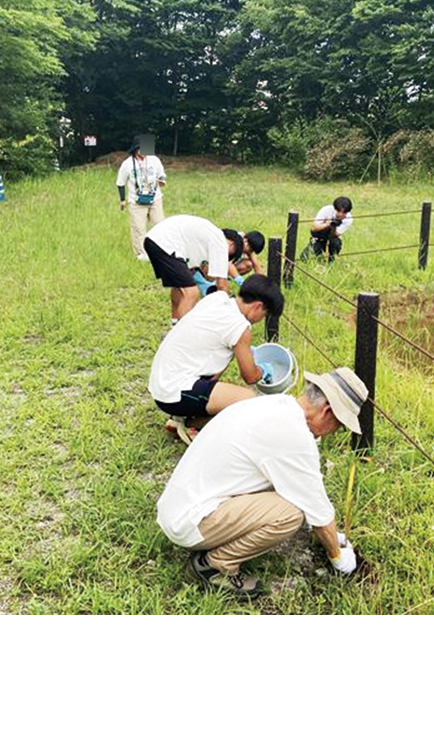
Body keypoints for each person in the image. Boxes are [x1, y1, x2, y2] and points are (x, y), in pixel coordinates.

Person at [156, 366, 368, 598]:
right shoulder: (294, 434)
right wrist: (338, 558)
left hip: (180, 506)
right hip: (190, 521)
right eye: (337, 428)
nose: (331, 434)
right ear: (326, 412)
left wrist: (330, 533)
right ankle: (216, 564)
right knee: (291, 514)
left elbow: (294, 484)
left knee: (293, 501)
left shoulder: (274, 405)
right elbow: (316, 507)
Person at [149, 274, 285, 442]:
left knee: (223, 356)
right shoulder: (240, 326)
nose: (261, 320)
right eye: (264, 315)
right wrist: (264, 371)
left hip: (161, 380)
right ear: (257, 306)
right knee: (250, 401)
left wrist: (245, 351)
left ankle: (180, 416)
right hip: (172, 391)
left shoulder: (217, 299)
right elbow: (250, 377)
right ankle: (193, 422)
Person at [143, 214, 244, 322]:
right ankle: (182, 334)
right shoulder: (220, 241)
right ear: (232, 245)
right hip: (165, 243)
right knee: (191, 292)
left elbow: (200, 273)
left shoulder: (206, 236)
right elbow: (222, 285)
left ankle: (175, 324)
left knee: (179, 287)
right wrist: (226, 311)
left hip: (153, 239)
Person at [116, 138, 166, 260]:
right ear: (135, 149)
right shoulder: (127, 164)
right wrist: (122, 200)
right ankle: (141, 254)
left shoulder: (154, 160)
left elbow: (161, 174)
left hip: (155, 199)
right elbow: (120, 183)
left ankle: (162, 250)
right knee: (138, 228)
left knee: (160, 225)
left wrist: (162, 181)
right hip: (137, 201)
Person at [301, 197, 353, 263]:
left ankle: (331, 261)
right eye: (339, 211)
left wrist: (334, 226)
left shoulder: (348, 219)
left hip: (333, 237)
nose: (341, 214)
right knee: (304, 258)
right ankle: (318, 251)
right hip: (319, 235)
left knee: (336, 243)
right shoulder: (326, 210)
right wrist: (327, 224)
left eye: (344, 213)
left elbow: (335, 235)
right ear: (335, 208)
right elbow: (314, 228)